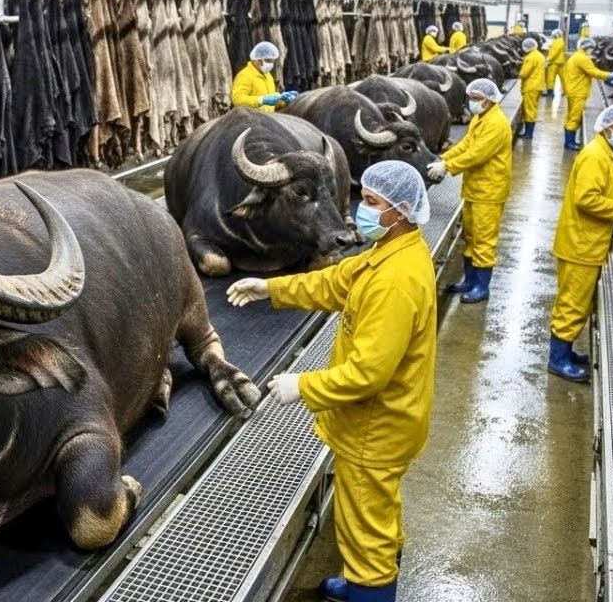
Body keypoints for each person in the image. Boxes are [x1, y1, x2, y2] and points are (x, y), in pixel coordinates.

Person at [226, 161, 437, 602]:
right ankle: (365, 579)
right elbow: (337, 281)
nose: (362, 208)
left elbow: (367, 374)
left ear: (400, 211)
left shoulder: (396, 283)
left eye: (373, 203)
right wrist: (274, 289)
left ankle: (371, 582)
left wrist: (302, 385)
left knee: (365, 527)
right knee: (376, 510)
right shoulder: (389, 255)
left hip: (375, 430)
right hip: (385, 423)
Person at [548, 104, 613, 382]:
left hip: (589, 242)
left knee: (577, 300)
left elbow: (601, 188)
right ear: (606, 127)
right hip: (581, 244)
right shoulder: (595, 155)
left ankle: (564, 351)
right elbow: (586, 198)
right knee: (572, 303)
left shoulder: (607, 151)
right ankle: (557, 359)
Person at [426, 79, 512, 303]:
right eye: (471, 98)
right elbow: (466, 145)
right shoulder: (479, 118)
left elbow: (477, 154)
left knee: (484, 239)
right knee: (471, 236)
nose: (472, 103)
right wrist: (443, 157)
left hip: (489, 192)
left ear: (489, 99)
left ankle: (482, 287)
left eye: (477, 99)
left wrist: (448, 167)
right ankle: (470, 280)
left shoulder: (497, 124)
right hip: (475, 189)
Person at [562, 38, 613, 151]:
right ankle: (569, 143)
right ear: (587, 47)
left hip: (573, 90)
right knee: (574, 118)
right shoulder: (583, 58)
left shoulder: (575, 56)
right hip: (578, 92)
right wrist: (610, 75)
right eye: (591, 48)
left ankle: (570, 141)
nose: (592, 51)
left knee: (570, 116)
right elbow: (593, 72)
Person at [231, 41, 297, 112]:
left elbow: (270, 103)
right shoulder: (244, 76)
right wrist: (261, 100)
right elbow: (238, 100)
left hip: (267, 119)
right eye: (268, 60)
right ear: (257, 60)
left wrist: (283, 100)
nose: (271, 63)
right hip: (250, 120)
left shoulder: (268, 75)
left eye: (272, 60)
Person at [518, 37, 546, 138]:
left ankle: (528, 134)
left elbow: (524, 73)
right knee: (533, 108)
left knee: (529, 110)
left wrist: (518, 73)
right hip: (538, 85)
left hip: (530, 87)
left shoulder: (530, 57)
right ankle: (528, 132)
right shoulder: (539, 55)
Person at [545, 29, 566, 98]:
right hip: (560, 62)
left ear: (556, 35)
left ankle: (550, 92)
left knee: (551, 77)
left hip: (554, 62)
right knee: (563, 77)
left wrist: (548, 59)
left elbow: (554, 52)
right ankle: (566, 91)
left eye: (553, 35)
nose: (552, 36)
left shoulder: (557, 41)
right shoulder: (561, 41)